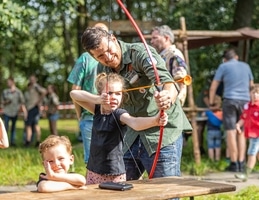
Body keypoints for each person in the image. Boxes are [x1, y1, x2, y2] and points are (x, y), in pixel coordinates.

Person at [81, 27, 192, 181]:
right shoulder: (103, 69)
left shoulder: (140, 53)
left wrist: (167, 96)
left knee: (166, 189)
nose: (108, 57)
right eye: (100, 56)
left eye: (108, 50)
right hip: (131, 133)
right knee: (120, 189)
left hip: (161, 132)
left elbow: (167, 82)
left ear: (113, 38)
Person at [70, 72, 168, 184]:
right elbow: (74, 94)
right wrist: (97, 100)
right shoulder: (97, 110)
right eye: (110, 93)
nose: (114, 97)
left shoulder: (119, 114)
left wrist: (155, 120)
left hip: (114, 174)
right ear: (100, 94)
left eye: (118, 94)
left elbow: (135, 122)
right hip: (93, 170)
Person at [67, 23, 109, 165]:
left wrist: (80, 115)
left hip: (92, 116)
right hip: (109, 116)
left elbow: (75, 88)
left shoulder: (85, 57)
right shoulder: (113, 55)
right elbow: (75, 90)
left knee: (92, 161)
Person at [209, 48, 254, 172]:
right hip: (245, 101)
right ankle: (241, 162)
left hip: (229, 100)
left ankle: (234, 163)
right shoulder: (246, 66)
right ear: (237, 57)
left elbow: (213, 86)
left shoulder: (223, 66)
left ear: (225, 59)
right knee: (242, 132)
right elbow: (251, 86)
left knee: (231, 131)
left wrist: (212, 102)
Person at [150, 25, 187, 106]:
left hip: (171, 103)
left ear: (166, 38)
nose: (151, 41)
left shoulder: (174, 54)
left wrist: (176, 102)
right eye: (151, 38)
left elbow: (180, 80)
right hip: (164, 102)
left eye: (155, 38)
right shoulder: (162, 56)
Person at [235, 85, 259, 181]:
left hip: (257, 134)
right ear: (250, 94)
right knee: (257, 153)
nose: (255, 95)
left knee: (251, 152)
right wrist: (238, 125)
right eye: (253, 92)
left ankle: (246, 175)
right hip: (251, 134)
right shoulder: (248, 106)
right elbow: (243, 118)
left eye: (258, 93)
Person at [1, 77, 27, 146]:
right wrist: (6, 102)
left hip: (15, 113)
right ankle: (4, 141)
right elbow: (2, 102)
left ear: (12, 82)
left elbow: (22, 102)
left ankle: (12, 142)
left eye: (8, 82)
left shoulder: (18, 92)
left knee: (13, 127)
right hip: (7, 112)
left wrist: (24, 112)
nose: (7, 83)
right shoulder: (5, 91)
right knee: (5, 128)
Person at [24, 75, 47, 147]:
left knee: (34, 125)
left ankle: (37, 140)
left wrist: (38, 101)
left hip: (34, 108)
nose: (32, 80)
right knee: (29, 125)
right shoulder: (29, 88)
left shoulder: (36, 87)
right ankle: (28, 141)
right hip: (29, 109)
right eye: (30, 79)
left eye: (33, 79)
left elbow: (44, 91)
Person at [205, 95, 223, 161]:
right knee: (218, 146)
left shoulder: (209, 112)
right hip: (218, 131)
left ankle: (211, 160)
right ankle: (217, 159)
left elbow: (203, 114)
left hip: (210, 131)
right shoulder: (221, 113)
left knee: (210, 146)